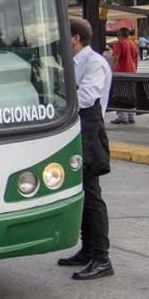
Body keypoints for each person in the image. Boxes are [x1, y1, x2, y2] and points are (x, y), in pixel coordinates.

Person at [58, 18, 114, 280]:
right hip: (77, 132)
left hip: (89, 134)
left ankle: (102, 258)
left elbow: (86, 97)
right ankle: (88, 249)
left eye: (63, 36)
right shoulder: (74, 63)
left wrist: (58, 106)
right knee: (79, 192)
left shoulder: (94, 64)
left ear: (75, 38)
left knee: (92, 198)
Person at [110, 27, 138, 124]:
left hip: (121, 72)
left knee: (119, 95)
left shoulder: (120, 43)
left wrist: (110, 70)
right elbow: (136, 59)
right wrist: (135, 71)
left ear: (119, 34)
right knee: (130, 95)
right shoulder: (132, 43)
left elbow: (115, 58)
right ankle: (131, 116)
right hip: (132, 72)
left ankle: (122, 117)